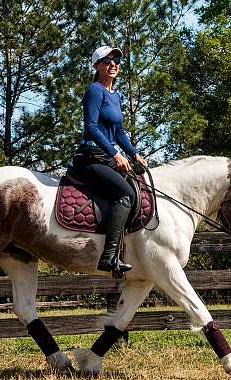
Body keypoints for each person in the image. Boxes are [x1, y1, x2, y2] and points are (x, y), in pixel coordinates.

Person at [72, 45, 147, 273]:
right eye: (107, 61)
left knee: (136, 186)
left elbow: (119, 131)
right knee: (125, 194)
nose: (113, 64)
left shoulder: (116, 95)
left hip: (107, 156)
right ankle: (109, 256)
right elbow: (92, 127)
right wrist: (116, 154)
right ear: (96, 66)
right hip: (91, 157)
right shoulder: (95, 90)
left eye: (116, 61)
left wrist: (133, 153)